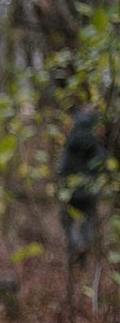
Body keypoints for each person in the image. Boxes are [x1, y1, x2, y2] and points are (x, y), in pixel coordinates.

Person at [57, 105, 108, 264]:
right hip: (88, 190)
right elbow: (102, 164)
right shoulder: (95, 142)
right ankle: (84, 245)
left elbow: (62, 168)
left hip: (71, 190)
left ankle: (76, 243)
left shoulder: (71, 141)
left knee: (68, 218)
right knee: (88, 218)